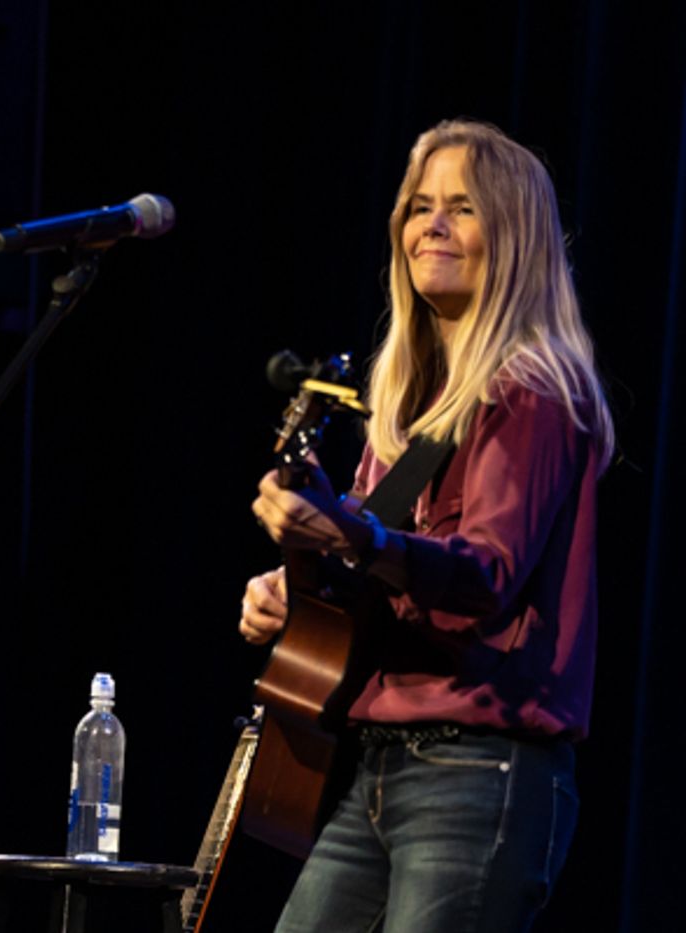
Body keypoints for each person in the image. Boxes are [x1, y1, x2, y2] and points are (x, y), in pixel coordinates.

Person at [240, 119, 613, 932]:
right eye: (419, 206)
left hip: (479, 768)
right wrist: (295, 588)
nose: (431, 226)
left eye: (463, 208)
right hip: (378, 762)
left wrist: (355, 537)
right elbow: (377, 568)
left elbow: (485, 571)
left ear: (512, 238)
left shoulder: (534, 388)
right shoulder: (411, 407)